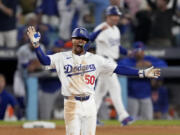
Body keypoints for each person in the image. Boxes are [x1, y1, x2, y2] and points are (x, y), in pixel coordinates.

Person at [27, 26, 160, 135]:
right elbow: (44, 60)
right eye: (77, 38)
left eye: (83, 39)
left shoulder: (96, 59)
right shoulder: (62, 57)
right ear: (72, 40)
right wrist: (36, 44)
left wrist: (142, 72)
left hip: (90, 103)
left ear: (87, 42)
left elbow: (119, 69)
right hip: (71, 103)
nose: (80, 41)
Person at [93, 5, 134, 125]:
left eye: (117, 15)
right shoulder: (101, 28)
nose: (116, 18)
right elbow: (92, 40)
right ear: (107, 16)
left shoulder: (116, 30)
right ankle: (123, 116)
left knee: (100, 91)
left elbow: (117, 47)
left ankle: (90, 117)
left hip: (111, 60)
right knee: (115, 88)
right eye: (113, 15)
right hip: (104, 61)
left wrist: (128, 52)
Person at [118, 41, 166, 120]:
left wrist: (150, 65)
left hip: (146, 96)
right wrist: (134, 66)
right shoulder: (129, 60)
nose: (140, 53)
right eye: (138, 51)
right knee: (131, 121)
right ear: (134, 51)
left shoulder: (148, 58)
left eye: (142, 50)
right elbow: (119, 66)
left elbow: (163, 64)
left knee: (148, 121)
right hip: (132, 96)